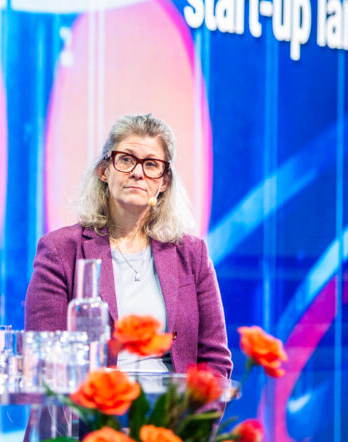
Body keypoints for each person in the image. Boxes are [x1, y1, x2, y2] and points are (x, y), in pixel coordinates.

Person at [24, 113, 232, 376]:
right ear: (104, 171)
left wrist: (198, 418)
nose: (137, 173)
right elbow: (44, 359)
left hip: (172, 412)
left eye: (151, 164)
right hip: (92, 410)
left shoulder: (192, 254)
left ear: (164, 182)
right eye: (126, 160)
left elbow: (215, 360)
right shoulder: (60, 250)